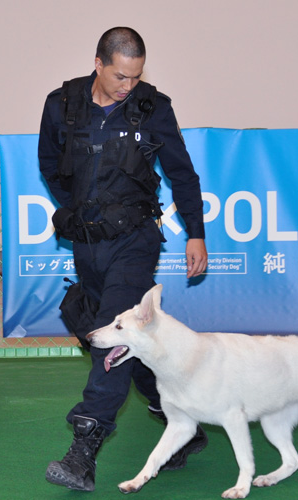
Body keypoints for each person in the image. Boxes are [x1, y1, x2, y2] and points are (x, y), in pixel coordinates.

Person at [38, 27, 208, 492]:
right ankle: (182, 421)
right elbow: (50, 164)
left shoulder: (153, 107)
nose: (127, 85)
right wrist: (80, 211)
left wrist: (196, 233)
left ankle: (83, 452)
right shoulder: (63, 104)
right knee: (126, 340)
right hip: (87, 243)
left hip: (135, 241)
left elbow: (181, 173)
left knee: (113, 338)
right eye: (119, 76)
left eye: (134, 77)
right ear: (98, 62)